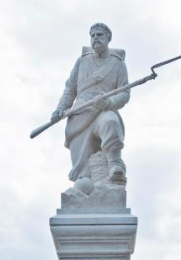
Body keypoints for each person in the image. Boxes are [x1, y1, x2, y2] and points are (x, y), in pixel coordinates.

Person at [52, 22, 130, 184]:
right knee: (83, 179)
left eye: (99, 34)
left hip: (103, 110)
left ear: (108, 38)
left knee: (110, 122)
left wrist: (108, 102)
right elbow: (70, 89)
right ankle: (85, 185)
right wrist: (61, 108)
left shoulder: (118, 64)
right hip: (80, 115)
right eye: (93, 35)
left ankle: (115, 165)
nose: (95, 38)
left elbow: (124, 93)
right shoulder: (81, 62)